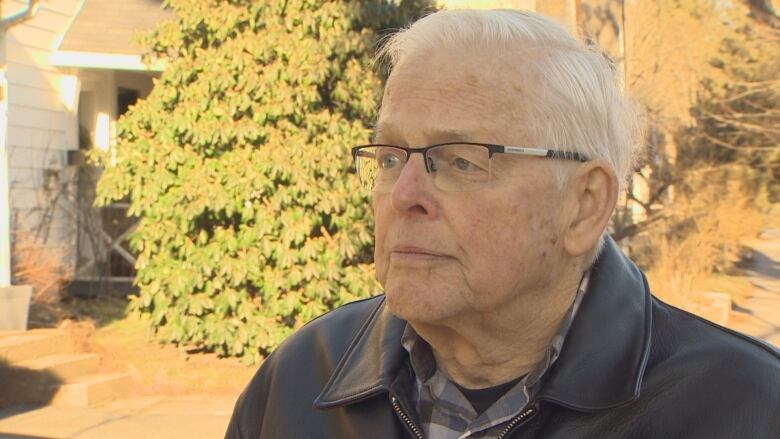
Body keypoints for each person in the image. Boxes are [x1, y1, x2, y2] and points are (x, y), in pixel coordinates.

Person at [226, 9, 779, 439]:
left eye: (462, 160)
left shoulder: (745, 407)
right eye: (391, 157)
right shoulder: (300, 380)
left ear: (585, 204)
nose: (405, 194)